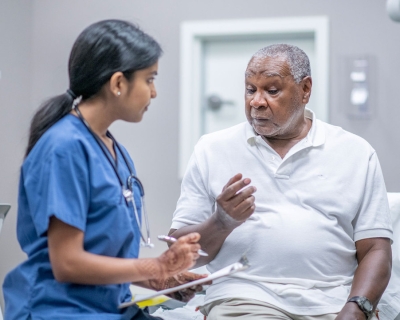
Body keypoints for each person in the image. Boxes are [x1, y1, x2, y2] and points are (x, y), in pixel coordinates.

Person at [169, 44, 393, 320]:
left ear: (305, 90)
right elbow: (177, 256)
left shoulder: (355, 152)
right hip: (245, 298)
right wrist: (221, 221)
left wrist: (357, 308)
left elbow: (375, 248)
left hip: (334, 300)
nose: (256, 101)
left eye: (271, 90)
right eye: (250, 89)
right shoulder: (212, 149)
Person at [2, 19, 207, 320]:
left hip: (111, 307)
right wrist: (157, 267)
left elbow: (106, 259)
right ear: (118, 84)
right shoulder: (64, 148)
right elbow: (67, 263)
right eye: (149, 79)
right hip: (62, 311)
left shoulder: (115, 152)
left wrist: (164, 279)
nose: (154, 93)